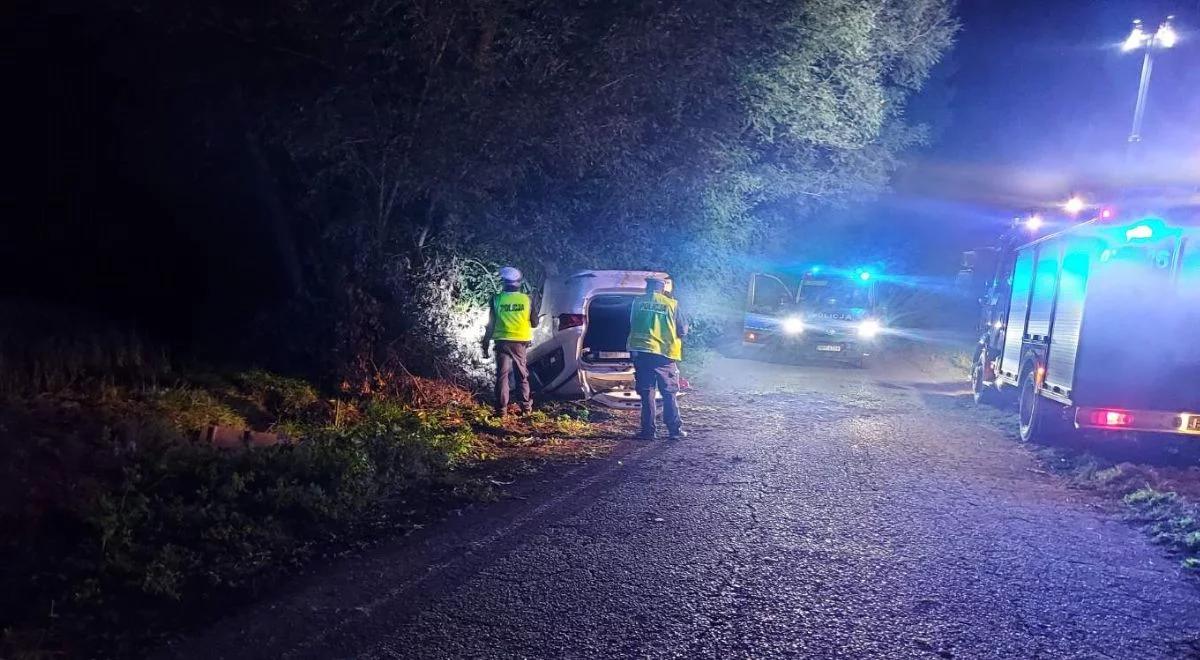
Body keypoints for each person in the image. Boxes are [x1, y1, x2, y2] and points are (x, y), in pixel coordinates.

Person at [627, 276, 688, 439]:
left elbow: (632, 323)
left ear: (647, 288)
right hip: (664, 355)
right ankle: (674, 431)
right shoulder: (672, 304)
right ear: (663, 289)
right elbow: (682, 330)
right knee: (669, 393)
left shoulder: (637, 302)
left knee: (647, 394)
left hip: (642, 353)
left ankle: (648, 432)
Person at [481, 266, 539, 416]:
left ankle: (501, 411)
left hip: (502, 342)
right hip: (520, 342)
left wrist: (485, 343)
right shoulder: (527, 300)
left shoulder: (496, 299)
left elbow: (491, 324)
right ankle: (525, 408)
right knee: (521, 374)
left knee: (502, 375)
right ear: (518, 283)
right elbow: (535, 323)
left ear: (503, 282)